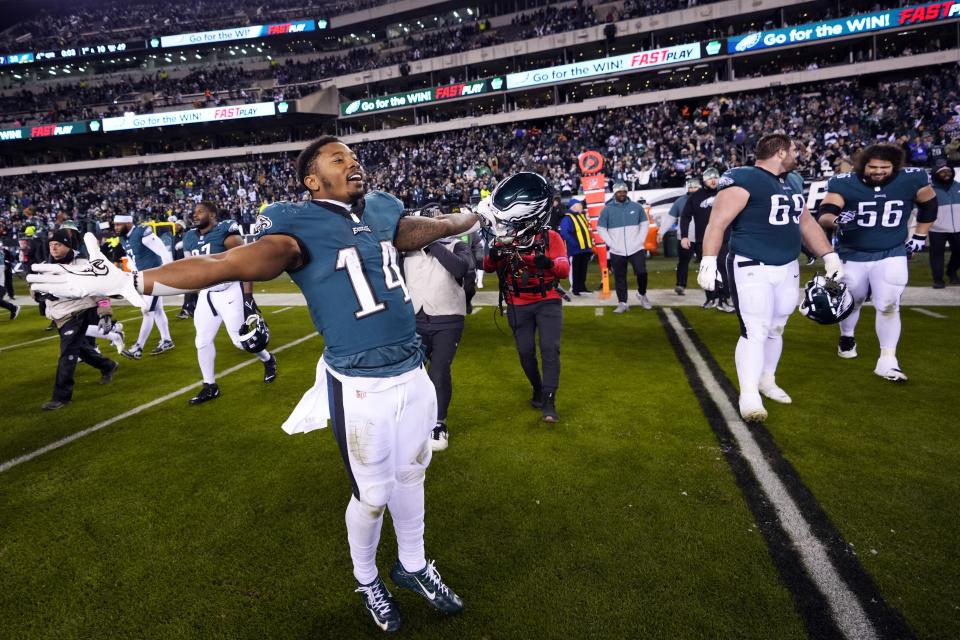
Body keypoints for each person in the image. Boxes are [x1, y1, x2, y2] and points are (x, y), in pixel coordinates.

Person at [29, 136, 486, 633]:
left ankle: (414, 565)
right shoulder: (296, 225)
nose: (353, 164)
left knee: (413, 474)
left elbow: (430, 227)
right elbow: (223, 265)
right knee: (373, 494)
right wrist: (128, 282)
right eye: (339, 160)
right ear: (312, 180)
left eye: (354, 157)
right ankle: (367, 578)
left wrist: (476, 216)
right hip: (359, 383)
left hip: (412, 372)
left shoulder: (379, 209)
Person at [698, 134, 843, 422]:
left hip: (788, 266)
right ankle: (748, 392)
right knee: (755, 328)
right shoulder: (743, 177)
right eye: (793, 151)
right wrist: (709, 260)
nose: (797, 156)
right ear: (779, 152)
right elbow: (718, 222)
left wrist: (829, 254)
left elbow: (806, 222)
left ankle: (767, 379)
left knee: (777, 326)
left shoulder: (791, 182)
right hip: (751, 263)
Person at [817, 143, 938, 380]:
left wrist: (920, 236)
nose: (879, 171)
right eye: (873, 166)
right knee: (854, 299)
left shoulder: (911, 179)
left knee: (889, 304)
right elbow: (825, 214)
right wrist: (838, 219)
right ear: (863, 165)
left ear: (895, 166)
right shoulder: (844, 182)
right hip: (852, 253)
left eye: (885, 167)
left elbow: (929, 206)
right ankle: (847, 336)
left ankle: (888, 360)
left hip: (891, 252)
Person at [482, 173, 569, 423]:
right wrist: (496, 252)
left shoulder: (549, 237)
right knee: (525, 352)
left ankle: (549, 401)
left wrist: (545, 262)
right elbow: (488, 266)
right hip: (518, 301)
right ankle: (538, 388)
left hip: (547, 299)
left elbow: (563, 270)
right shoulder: (507, 236)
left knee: (550, 349)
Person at [182, 201, 277, 405]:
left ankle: (268, 359)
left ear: (213, 215)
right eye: (194, 212)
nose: (195, 215)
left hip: (229, 290)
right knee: (202, 341)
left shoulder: (226, 231)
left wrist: (248, 297)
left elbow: (247, 263)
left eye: (200, 212)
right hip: (207, 294)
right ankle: (210, 386)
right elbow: (189, 270)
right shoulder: (189, 237)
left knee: (241, 341)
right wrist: (189, 298)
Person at [403, 205, 473, 450]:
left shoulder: (457, 245)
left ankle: (438, 422)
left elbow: (461, 268)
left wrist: (432, 242)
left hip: (447, 318)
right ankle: (418, 418)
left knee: (439, 371)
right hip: (416, 319)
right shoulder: (407, 250)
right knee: (414, 374)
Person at [37, 229, 120, 410]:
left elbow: (99, 288)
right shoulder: (45, 265)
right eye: (51, 245)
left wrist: (105, 311)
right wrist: (38, 294)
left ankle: (61, 396)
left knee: (67, 353)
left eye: (58, 245)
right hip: (59, 315)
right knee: (79, 348)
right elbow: (36, 289)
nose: (53, 248)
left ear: (67, 245)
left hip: (79, 311)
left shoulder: (82, 264)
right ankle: (108, 365)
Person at [115, 214, 175, 359]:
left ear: (128, 224)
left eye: (118, 225)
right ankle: (167, 340)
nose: (115, 228)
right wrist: (135, 274)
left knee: (147, 310)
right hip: (144, 276)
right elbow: (131, 257)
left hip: (155, 275)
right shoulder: (124, 238)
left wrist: (171, 270)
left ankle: (138, 347)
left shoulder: (142, 232)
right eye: (115, 224)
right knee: (158, 309)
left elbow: (162, 249)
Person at [680, 168, 734, 312]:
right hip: (703, 240)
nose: (713, 180)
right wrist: (684, 236)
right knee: (708, 269)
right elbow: (685, 216)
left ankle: (724, 299)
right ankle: (710, 298)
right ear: (704, 180)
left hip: (724, 237)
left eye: (715, 177)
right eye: (710, 178)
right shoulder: (695, 197)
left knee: (723, 267)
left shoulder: (726, 194)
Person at [597, 182, 652, 313]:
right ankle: (622, 302)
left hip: (636, 248)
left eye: (624, 192)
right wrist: (611, 243)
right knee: (620, 277)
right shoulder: (607, 209)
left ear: (627, 193)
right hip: (617, 250)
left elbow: (645, 224)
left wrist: (640, 240)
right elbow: (601, 228)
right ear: (614, 193)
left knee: (642, 273)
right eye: (619, 192)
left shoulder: (636, 207)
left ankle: (642, 294)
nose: (622, 194)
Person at [928, 162, 960, 288]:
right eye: (942, 172)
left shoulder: (958, 186)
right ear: (936, 174)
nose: (946, 174)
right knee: (936, 255)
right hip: (937, 228)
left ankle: (951, 271)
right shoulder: (929, 189)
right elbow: (917, 206)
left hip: (958, 227)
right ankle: (938, 280)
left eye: (949, 171)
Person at [557, 198, 594, 296]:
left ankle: (582, 287)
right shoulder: (567, 218)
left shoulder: (582, 216)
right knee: (575, 269)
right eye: (579, 204)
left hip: (585, 249)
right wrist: (575, 243)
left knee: (583, 269)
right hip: (575, 249)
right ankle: (575, 288)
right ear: (573, 206)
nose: (581, 206)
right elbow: (564, 233)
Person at [672, 177, 701, 295]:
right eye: (690, 187)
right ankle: (680, 284)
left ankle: (712, 286)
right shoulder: (680, 201)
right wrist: (661, 232)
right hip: (685, 237)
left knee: (708, 262)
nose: (693, 189)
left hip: (703, 236)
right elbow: (671, 216)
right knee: (683, 262)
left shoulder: (708, 199)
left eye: (695, 187)